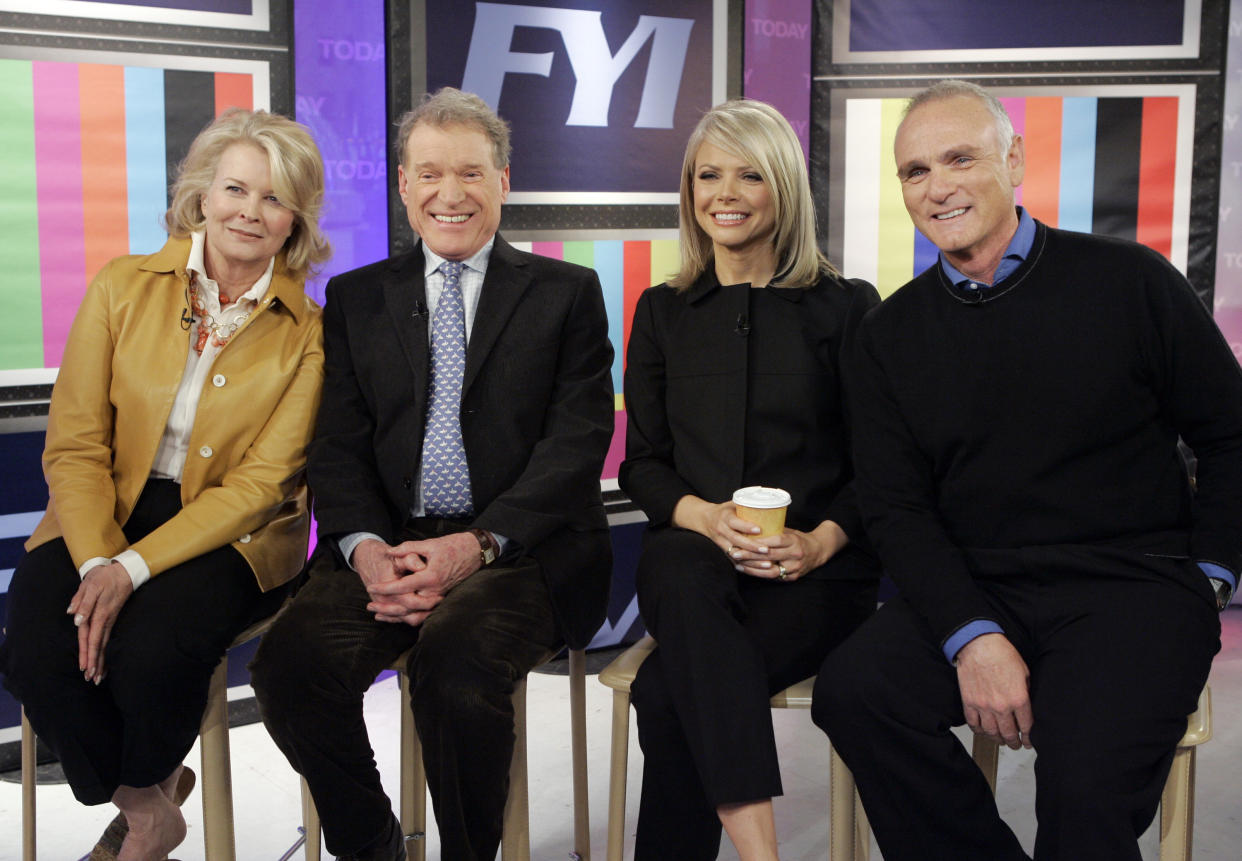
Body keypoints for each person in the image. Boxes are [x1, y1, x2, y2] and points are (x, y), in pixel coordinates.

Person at [813, 79, 1242, 861]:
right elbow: (895, 505)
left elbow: (1233, 434)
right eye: (914, 171)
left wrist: (1209, 575)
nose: (937, 186)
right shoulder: (887, 335)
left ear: (1014, 160)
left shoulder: (1132, 282)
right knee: (855, 691)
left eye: (959, 158)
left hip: (1132, 589)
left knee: (1080, 797)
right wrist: (971, 634)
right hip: (982, 588)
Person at [249, 87, 614, 861]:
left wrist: (476, 545)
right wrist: (365, 548)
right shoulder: (354, 298)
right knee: (290, 665)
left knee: (455, 659)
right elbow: (338, 445)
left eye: (472, 174)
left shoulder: (567, 293)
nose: (452, 194)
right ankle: (371, 840)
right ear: (405, 186)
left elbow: (577, 446)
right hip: (390, 540)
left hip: (523, 548)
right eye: (431, 174)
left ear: (504, 182)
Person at [0, 108, 330, 861]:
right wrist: (96, 562)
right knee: (38, 649)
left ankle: (142, 791)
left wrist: (132, 571)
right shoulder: (121, 284)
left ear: (295, 222)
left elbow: (260, 484)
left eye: (274, 199)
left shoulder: (310, 331)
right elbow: (77, 444)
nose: (250, 211)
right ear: (201, 195)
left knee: (154, 652)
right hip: (103, 510)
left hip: (234, 533)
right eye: (236, 188)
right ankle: (147, 803)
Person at [619, 98, 881, 861]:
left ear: (784, 189)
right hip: (697, 567)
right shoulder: (663, 310)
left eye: (748, 175)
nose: (724, 193)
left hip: (816, 580)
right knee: (671, 554)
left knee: (667, 690)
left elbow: (884, 467)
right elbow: (643, 462)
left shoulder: (847, 308)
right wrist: (701, 514)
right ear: (689, 192)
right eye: (708, 175)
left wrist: (823, 541)